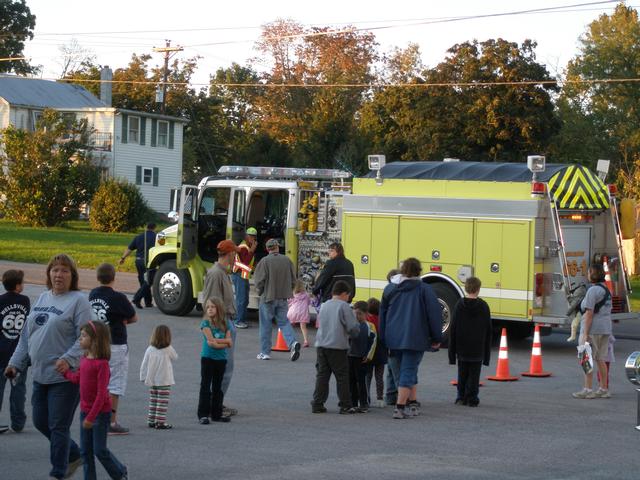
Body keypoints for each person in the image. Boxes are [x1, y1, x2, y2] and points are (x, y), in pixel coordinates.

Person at [4, 254, 91, 479]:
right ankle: (74, 454)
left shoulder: (78, 300)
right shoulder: (43, 298)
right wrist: (15, 363)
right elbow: (26, 336)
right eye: (54, 270)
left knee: (58, 426)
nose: (58, 274)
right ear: (48, 274)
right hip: (40, 374)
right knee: (40, 421)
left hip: (66, 377)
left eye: (64, 270)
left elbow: (87, 336)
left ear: (72, 276)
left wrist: (69, 359)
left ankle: (58, 472)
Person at [64, 321, 128, 480]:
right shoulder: (84, 359)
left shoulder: (102, 364)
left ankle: (119, 473)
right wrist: (64, 373)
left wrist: (91, 418)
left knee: (99, 450)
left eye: (84, 336)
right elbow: (77, 378)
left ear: (95, 340)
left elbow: (101, 395)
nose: (80, 339)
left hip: (99, 414)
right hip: (86, 412)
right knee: (85, 451)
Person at [380, 258, 442, 419]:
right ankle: (400, 407)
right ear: (419, 271)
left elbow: (383, 315)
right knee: (408, 370)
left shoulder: (390, 289)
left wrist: (383, 336)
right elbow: (434, 315)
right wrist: (436, 336)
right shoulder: (424, 289)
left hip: (393, 336)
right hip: (416, 337)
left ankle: (413, 403)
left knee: (406, 370)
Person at [89, 263, 138, 435]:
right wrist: (123, 320)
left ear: (98, 277)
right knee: (114, 383)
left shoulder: (92, 294)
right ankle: (111, 421)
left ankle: (94, 417)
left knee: (97, 382)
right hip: (115, 343)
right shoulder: (118, 297)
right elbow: (133, 317)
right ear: (113, 277)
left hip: (96, 343)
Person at [201, 239, 239, 416]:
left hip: (226, 322)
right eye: (234, 253)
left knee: (224, 366)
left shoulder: (222, 273)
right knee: (223, 366)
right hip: (222, 324)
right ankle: (215, 404)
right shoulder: (216, 274)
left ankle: (217, 402)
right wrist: (220, 329)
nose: (235, 257)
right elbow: (211, 304)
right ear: (230, 254)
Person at [311, 280, 360, 414]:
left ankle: (317, 403)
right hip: (337, 345)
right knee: (342, 376)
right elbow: (352, 328)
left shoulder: (324, 305)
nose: (349, 298)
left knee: (322, 375)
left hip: (321, 344)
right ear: (344, 293)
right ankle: (345, 405)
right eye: (348, 295)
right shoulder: (344, 307)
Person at [253, 238, 301, 361]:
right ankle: (293, 343)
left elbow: (259, 281)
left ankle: (265, 352)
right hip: (283, 297)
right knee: (284, 322)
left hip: (268, 297)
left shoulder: (264, 261)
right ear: (277, 247)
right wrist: (288, 290)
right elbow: (294, 279)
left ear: (267, 249)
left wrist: (260, 291)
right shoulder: (287, 260)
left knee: (265, 325)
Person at [448, 276, 492, 407]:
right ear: (478, 289)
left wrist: (452, 351)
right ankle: (472, 397)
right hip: (477, 346)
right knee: (474, 374)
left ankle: (460, 396)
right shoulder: (483, 306)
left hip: (462, 346)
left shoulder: (459, 305)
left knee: (462, 372)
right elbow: (488, 329)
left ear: (465, 288)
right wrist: (486, 353)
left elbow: (453, 328)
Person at [573, 263, 613, 399]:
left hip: (592, 329)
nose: (587, 275)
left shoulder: (592, 291)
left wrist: (585, 334)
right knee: (600, 359)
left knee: (586, 358)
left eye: (589, 272)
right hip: (605, 329)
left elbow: (589, 313)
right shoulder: (606, 290)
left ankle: (588, 389)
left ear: (593, 274)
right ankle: (603, 388)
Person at [0, 269, 30, 434]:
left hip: (2, 351)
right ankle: (18, 422)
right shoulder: (25, 300)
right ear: (18, 286)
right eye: (22, 283)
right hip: (19, 353)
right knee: (18, 389)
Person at [198, 297, 233, 425]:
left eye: (212, 307)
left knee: (218, 387)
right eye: (208, 307)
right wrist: (224, 342)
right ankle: (203, 414)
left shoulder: (226, 323)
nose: (210, 309)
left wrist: (217, 341)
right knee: (206, 386)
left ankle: (216, 414)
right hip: (208, 358)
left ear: (218, 308)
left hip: (221, 359)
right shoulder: (205, 324)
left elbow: (230, 342)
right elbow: (211, 343)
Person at [140, 325, 177, 429]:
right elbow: (175, 357)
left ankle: (151, 420)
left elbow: (144, 363)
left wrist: (143, 376)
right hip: (164, 380)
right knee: (162, 402)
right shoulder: (168, 349)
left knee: (153, 400)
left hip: (152, 380)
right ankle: (160, 422)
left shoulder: (150, 349)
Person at [119, 223, 157, 309]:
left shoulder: (138, 237)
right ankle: (137, 298)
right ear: (155, 228)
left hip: (138, 261)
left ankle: (148, 303)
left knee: (143, 282)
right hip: (148, 262)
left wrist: (123, 258)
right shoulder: (156, 237)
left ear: (146, 228)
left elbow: (130, 249)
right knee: (148, 281)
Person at [348, 301, 376, 413]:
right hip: (350, 356)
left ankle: (364, 403)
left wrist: (368, 356)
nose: (357, 316)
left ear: (366, 314)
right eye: (355, 313)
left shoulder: (370, 326)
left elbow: (373, 342)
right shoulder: (351, 325)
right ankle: (353, 403)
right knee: (351, 381)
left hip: (362, 358)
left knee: (362, 382)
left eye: (359, 314)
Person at [232, 227, 258, 329]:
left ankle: (242, 319)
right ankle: (239, 321)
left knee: (245, 299)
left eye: (254, 237)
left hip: (243, 276)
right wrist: (252, 250)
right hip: (239, 275)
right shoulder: (244, 247)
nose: (253, 239)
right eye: (251, 236)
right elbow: (246, 261)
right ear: (247, 236)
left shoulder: (247, 246)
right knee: (241, 299)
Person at [365, 297, 387, 408]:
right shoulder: (382, 321)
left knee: (367, 376)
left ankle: (366, 397)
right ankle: (380, 399)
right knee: (379, 377)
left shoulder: (367, 320)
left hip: (369, 353)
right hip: (381, 353)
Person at [287, 279, 312, 347]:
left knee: (289, 326)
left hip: (293, 312)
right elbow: (309, 302)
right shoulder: (306, 295)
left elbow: (289, 302)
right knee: (303, 327)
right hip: (303, 313)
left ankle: (291, 340)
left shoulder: (293, 295)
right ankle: (306, 341)